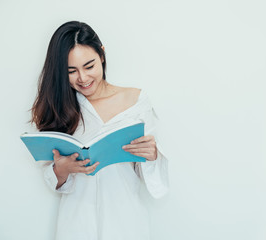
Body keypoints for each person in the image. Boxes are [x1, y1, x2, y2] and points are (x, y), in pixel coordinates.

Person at [30, 21, 169, 240]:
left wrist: (152, 155)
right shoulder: (61, 108)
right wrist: (62, 169)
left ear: (102, 55)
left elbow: (149, 176)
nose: (83, 79)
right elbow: (51, 176)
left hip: (126, 218)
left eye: (89, 66)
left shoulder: (136, 100)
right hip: (76, 221)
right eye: (71, 71)